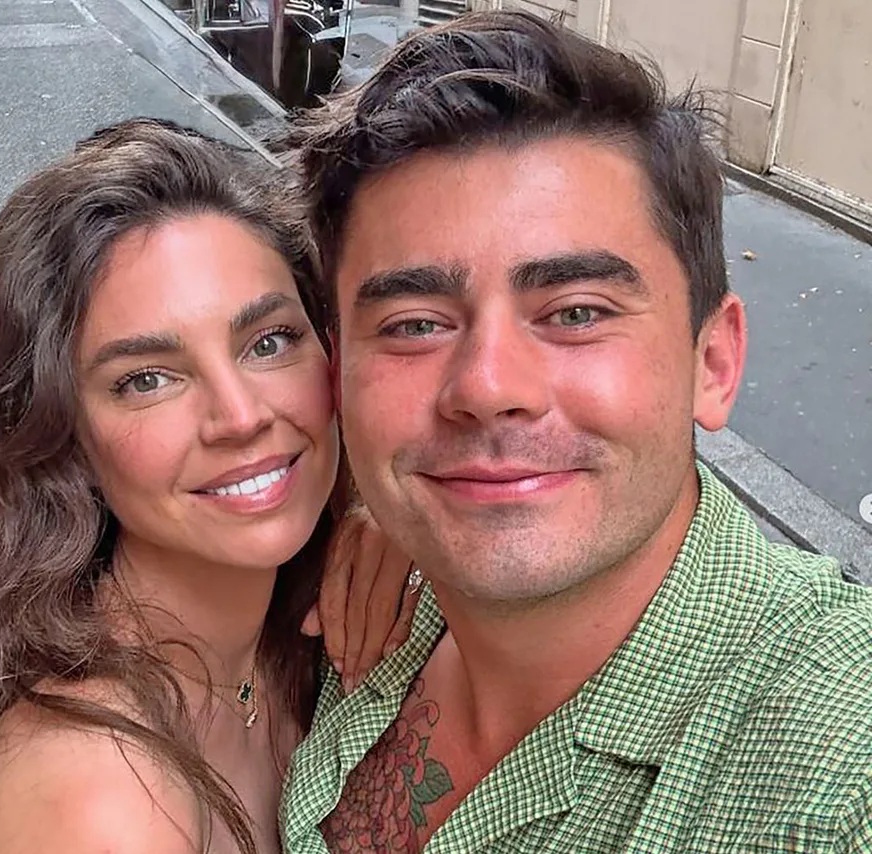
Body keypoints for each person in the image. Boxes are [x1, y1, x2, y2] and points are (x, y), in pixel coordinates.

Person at [280, 11, 872, 853]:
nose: (486, 388)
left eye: (576, 312)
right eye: (414, 325)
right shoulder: (367, 603)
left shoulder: (839, 774)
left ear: (713, 362)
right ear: (340, 376)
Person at [0, 117, 422, 854]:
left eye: (269, 341)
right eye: (146, 380)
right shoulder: (103, 801)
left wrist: (391, 515)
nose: (241, 415)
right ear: (63, 434)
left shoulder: (285, 641)